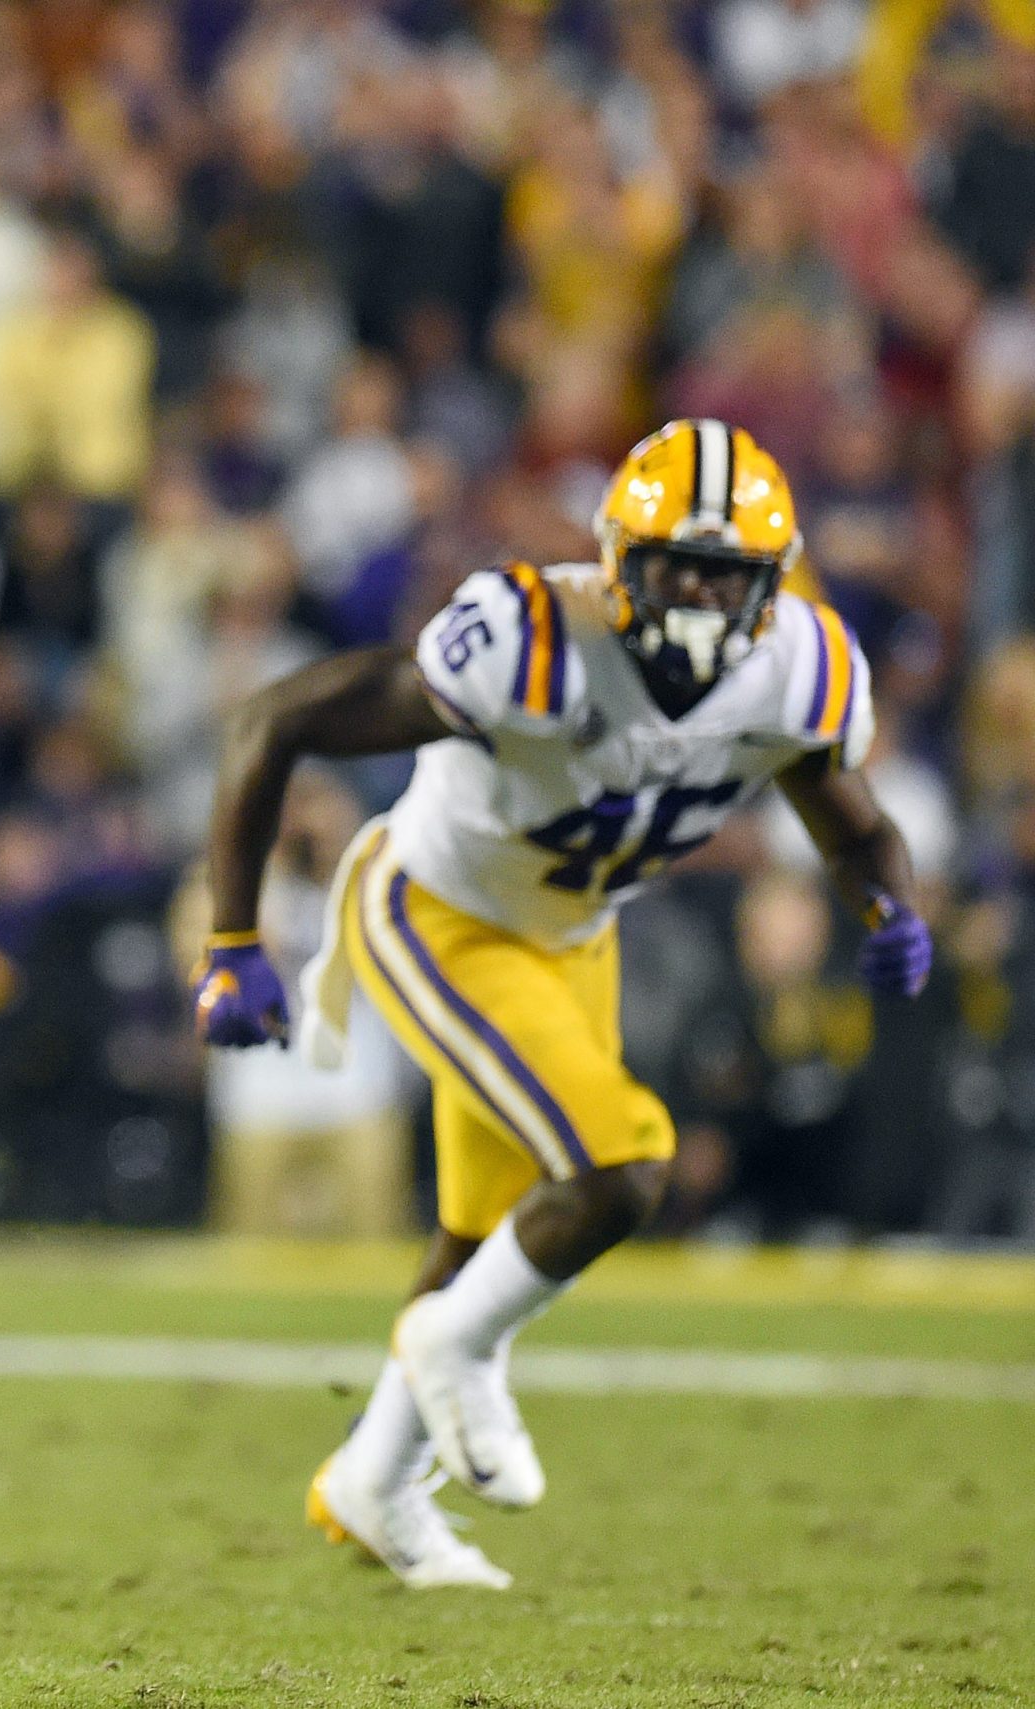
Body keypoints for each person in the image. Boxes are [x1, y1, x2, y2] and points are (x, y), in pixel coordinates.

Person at [191, 420, 931, 1589]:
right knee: (622, 1161)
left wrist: (890, 905)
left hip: (572, 937)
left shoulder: (800, 671)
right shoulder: (531, 638)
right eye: (671, 566)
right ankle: (454, 1349)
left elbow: (854, 820)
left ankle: (371, 1481)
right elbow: (273, 719)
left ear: (768, 587)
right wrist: (232, 937)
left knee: (485, 1238)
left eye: (721, 574)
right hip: (434, 911)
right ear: (614, 559)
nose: (693, 596)